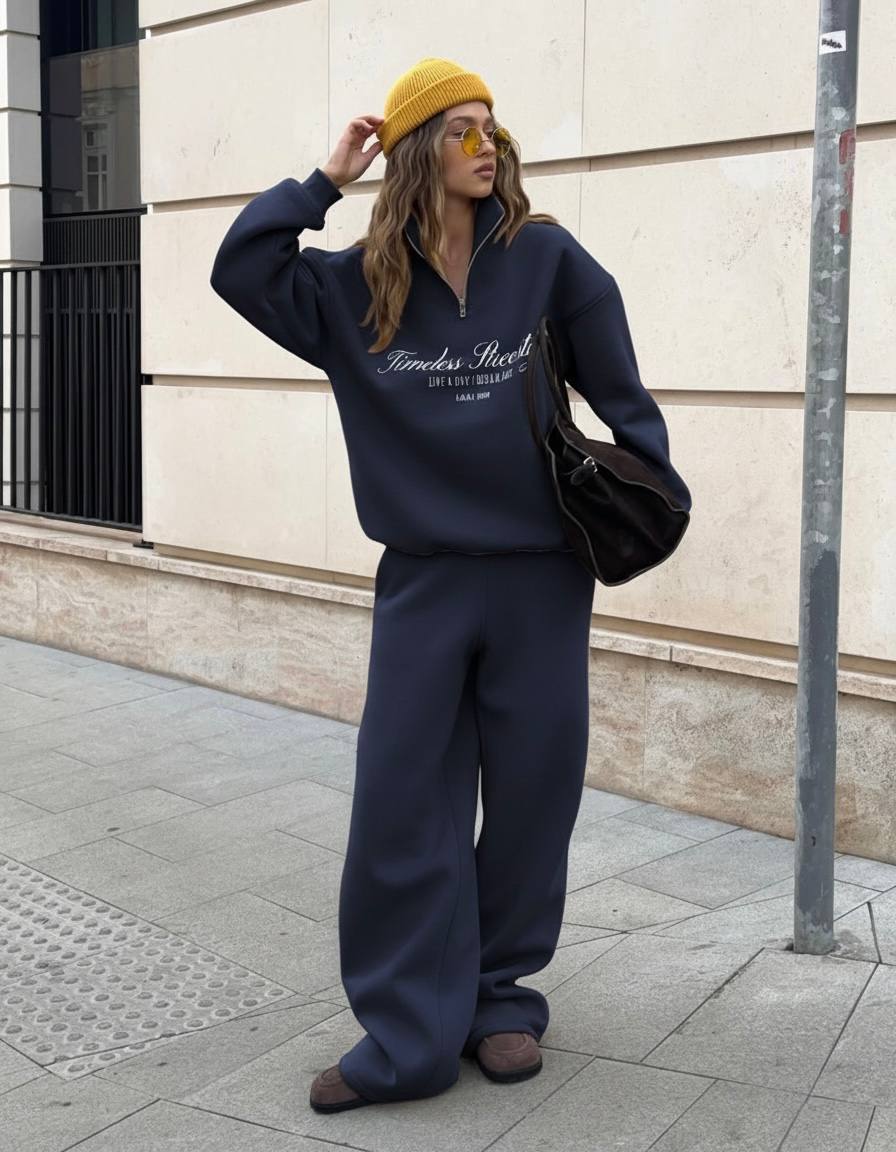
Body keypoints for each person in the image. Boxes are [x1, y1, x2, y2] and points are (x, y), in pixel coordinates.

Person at [210, 57, 691, 1114]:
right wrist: (324, 180)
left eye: (491, 127)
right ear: (420, 147)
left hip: (541, 579)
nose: (486, 144)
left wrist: (641, 481)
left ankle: (500, 999)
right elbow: (240, 268)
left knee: (532, 794)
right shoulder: (348, 287)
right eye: (462, 128)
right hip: (423, 580)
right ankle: (406, 1035)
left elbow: (622, 389)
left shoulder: (545, 258)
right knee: (402, 804)